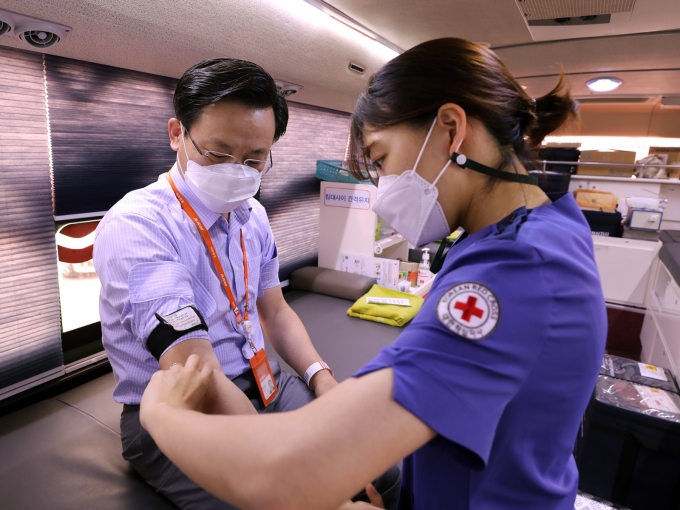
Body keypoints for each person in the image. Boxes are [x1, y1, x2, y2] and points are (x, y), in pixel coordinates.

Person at [138, 38, 608, 510]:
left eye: (381, 159)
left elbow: (284, 474)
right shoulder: (537, 233)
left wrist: (160, 415)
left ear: (450, 129)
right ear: (178, 134)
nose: (383, 187)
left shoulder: (516, 271)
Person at [93, 58, 346, 510]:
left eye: (254, 159)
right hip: (181, 407)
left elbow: (275, 311)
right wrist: (272, 461)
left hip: (263, 380)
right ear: (177, 134)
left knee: (372, 465)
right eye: (218, 153)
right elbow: (198, 372)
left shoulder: (255, 216)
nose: (237, 171)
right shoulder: (139, 225)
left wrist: (322, 379)